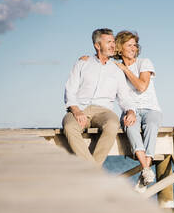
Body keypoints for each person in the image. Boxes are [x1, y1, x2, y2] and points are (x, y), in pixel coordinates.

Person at [80, 31, 162, 193]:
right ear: (120, 48)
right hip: (131, 110)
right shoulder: (114, 67)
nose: (133, 48)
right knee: (130, 127)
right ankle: (146, 170)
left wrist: (125, 69)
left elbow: (141, 86)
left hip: (150, 108)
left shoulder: (144, 62)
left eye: (135, 45)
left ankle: (145, 170)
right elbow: (100, 62)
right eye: (129, 45)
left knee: (151, 125)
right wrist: (86, 60)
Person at [63, 28, 136, 166]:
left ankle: (90, 170)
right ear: (97, 45)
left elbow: (124, 97)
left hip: (104, 111)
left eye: (113, 42)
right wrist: (76, 111)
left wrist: (131, 111)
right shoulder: (82, 63)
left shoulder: (117, 70)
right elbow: (70, 90)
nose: (113, 45)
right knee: (69, 127)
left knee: (113, 124)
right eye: (108, 42)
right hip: (80, 108)